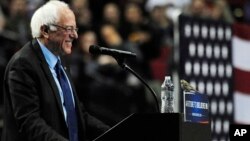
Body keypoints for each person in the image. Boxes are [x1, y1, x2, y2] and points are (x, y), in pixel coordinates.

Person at [1, 1, 110, 141]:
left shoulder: (61, 60)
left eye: (75, 29)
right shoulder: (23, 64)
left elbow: (76, 113)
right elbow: (30, 123)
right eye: (68, 29)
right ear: (45, 31)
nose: (75, 35)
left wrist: (111, 132)